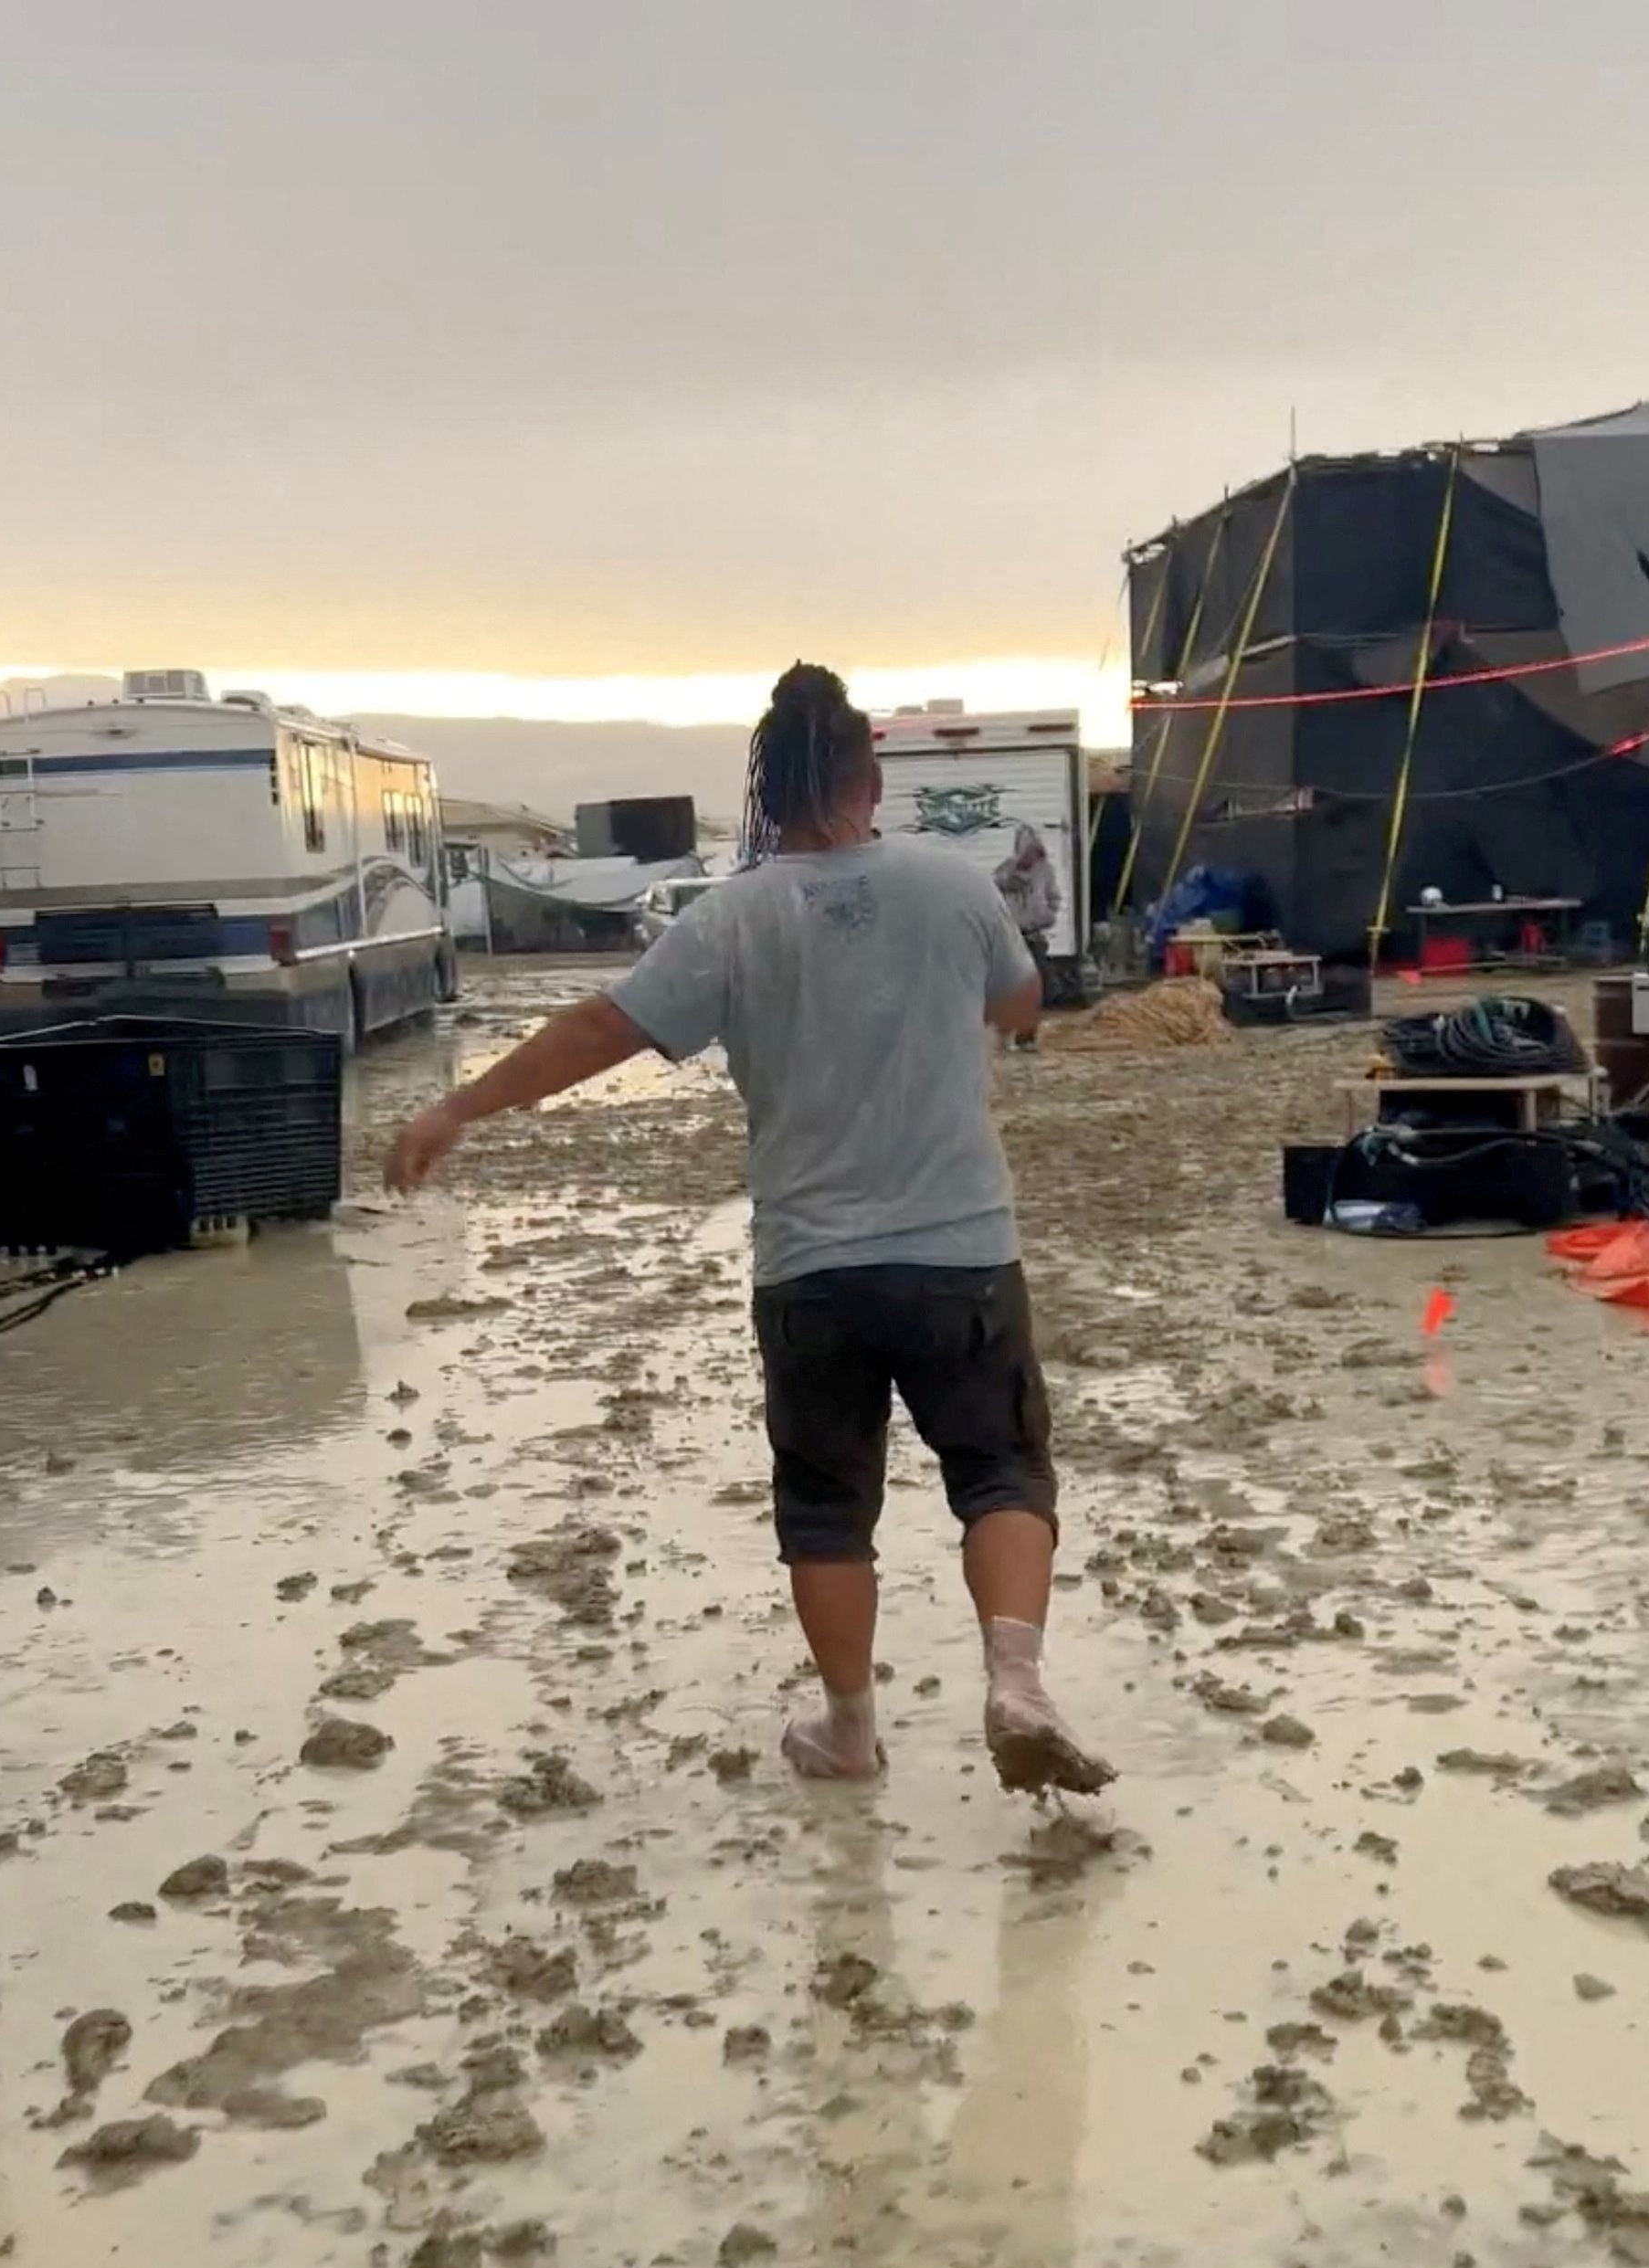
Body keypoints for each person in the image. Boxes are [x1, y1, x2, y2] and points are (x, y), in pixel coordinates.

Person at [386, 663, 1111, 1800]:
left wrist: (453, 1107)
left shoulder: (728, 919)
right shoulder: (954, 887)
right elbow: (1020, 1004)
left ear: (767, 795)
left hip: (812, 1271)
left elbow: (596, 1029)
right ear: (870, 780)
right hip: (962, 1253)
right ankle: (1014, 1680)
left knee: (827, 1513)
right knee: (1002, 1470)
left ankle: (850, 1731)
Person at [992, 824, 1059, 1051]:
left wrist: (1047, 916)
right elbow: (992, 894)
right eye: (1027, 850)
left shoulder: (1046, 871)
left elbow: (1054, 898)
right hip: (1011, 937)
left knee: (1037, 989)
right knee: (1010, 988)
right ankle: (1006, 1034)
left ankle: (1027, 1038)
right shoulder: (1005, 870)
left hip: (1035, 936)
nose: (1031, 854)